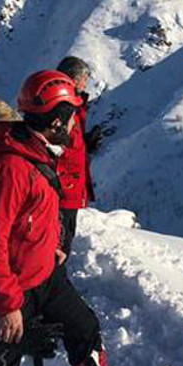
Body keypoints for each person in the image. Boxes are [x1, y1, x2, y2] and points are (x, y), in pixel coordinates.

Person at [0, 70, 133, 366]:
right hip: (6, 290)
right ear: (56, 120)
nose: (76, 122)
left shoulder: (37, 152)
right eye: (72, 114)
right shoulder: (10, 167)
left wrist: (50, 245)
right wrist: (7, 304)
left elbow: (37, 211)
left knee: (84, 326)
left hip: (44, 274)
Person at [54, 56, 104, 257]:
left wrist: (85, 144)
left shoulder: (69, 106)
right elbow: (54, 147)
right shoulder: (64, 108)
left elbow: (69, 143)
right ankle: (49, 284)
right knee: (58, 243)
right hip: (63, 189)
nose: (86, 84)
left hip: (67, 188)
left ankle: (51, 282)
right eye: (84, 79)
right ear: (74, 80)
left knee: (62, 240)